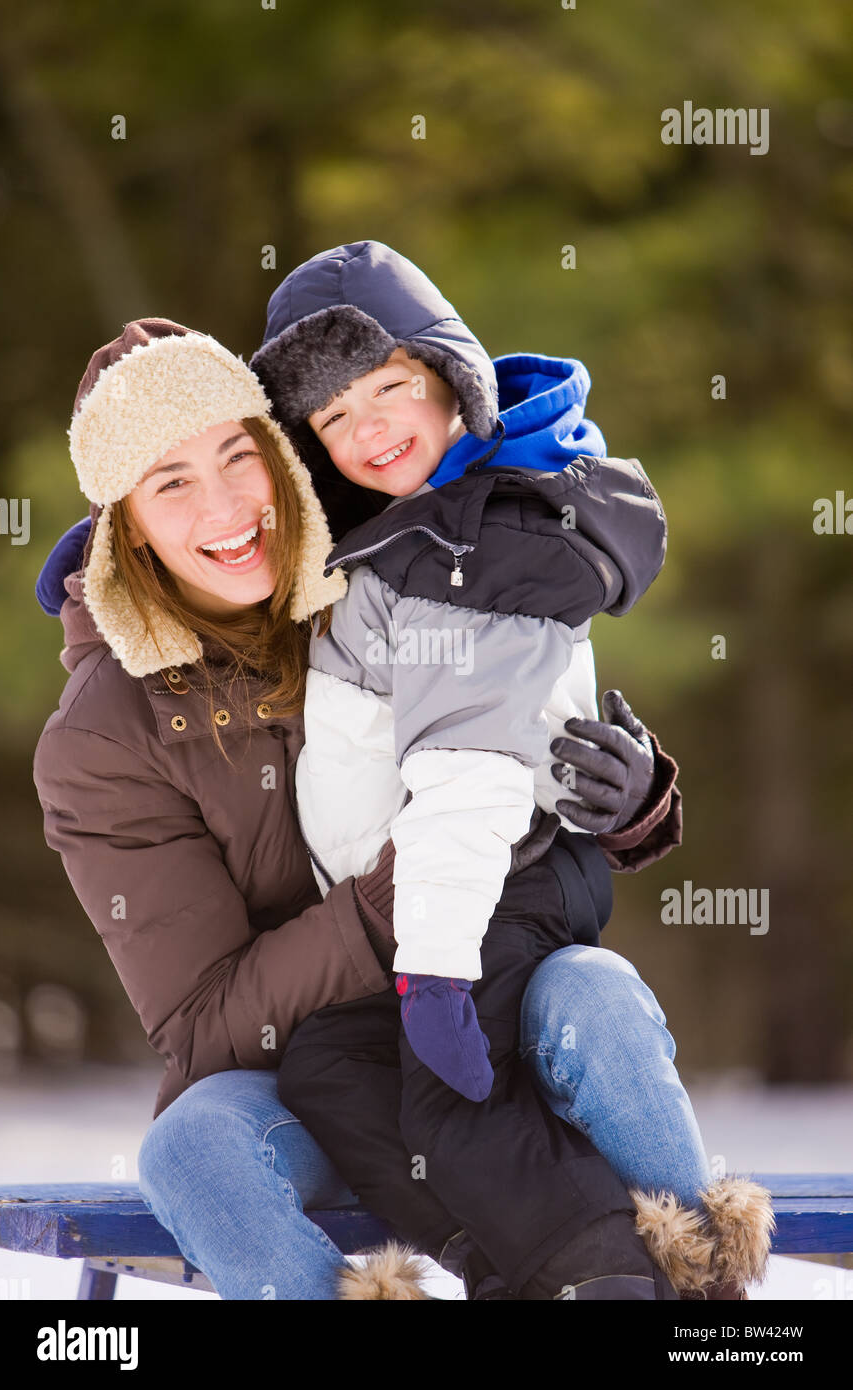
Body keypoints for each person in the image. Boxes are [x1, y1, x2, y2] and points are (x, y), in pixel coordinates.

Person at [32, 316, 768, 1298]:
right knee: (187, 1150)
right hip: (309, 1072)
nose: (223, 505)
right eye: (170, 482)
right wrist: (397, 902)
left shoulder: (369, 565)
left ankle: (692, 1301)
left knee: (593, 990)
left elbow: (506, 723)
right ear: (126, 525)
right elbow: (205, 1023)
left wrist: (622, 801)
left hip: (489, 1001)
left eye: (238, 456)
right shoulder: (104, 735)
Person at [249, 241, 774, 1299]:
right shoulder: (421, 518)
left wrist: (434, 971)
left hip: (478, 886)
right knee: (331, 1070)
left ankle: (610, 1279)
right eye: (335, 417)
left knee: (450, 1103)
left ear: (450, 376)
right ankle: (526, 1273)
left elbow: (469, 771)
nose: (369, 428)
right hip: (439, 888)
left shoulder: (467, 548)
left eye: (390, 386)